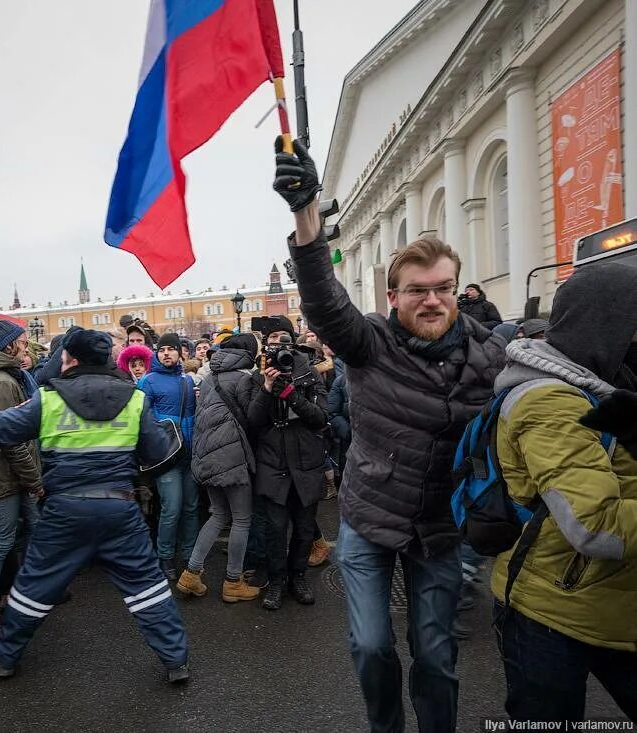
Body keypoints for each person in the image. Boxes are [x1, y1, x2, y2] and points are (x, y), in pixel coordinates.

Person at [273, 136, 507, 732]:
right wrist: (306, 217)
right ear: (393, 296)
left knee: (436, 655)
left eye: (443, 289)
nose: (432, 300)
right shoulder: (369, 343)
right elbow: (325, 306)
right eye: (417, 290)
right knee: (372, 645)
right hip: (369, 518)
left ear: (457, 289)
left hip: (440, 529)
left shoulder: (489, 355)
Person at [0, 328, 190, 683]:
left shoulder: (49, 398)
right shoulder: (135, 399)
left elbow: (4, 427)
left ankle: (4, 656)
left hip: (64, 511)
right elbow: (157, 453)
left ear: (69, 359)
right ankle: (175, 660)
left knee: (34, 587)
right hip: (119, 509)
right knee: (147, 587)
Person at [488, 264, 637, 723]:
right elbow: (595, 525)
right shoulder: (547, 400)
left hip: (615, 602)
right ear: (608, 328)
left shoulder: (611, 386)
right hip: (550, 607)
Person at [0, 319, 43, 641]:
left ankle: (29, 594)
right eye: (21, 341)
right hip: (7, 475)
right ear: (8, 344)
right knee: (1, 541)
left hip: (12, 472)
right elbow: (11, 439)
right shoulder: (1, 382)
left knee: (33, 529)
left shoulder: (6, 376)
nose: (25, 346)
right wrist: (33, 479)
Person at [247, 331, 329, 610]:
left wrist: (293, 395)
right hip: (273, 464)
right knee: (275, 529)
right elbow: (254, 421)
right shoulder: (259, 378)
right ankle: (277, 581)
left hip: (307, 463)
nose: (283, 361)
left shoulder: (311, 376)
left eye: (287, 354)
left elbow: (319, 419)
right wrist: (268, 388)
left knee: (305, 530)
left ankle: (298, 577)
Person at [178, 334, 261, 602]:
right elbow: (254, 418)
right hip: (232, 458)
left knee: (218, 515)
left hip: (206, 457)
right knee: (242, 519)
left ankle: (191, 574)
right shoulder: (245, 379)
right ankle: (233, 582)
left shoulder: (208, 377)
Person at [138, 333, 197, 580]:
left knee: (191, 507)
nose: (166, 354)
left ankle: (191, 554)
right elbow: (142, 419)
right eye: (162, 350)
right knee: (171, 508)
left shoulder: (188, 380)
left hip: (190, 453)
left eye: (171, 350)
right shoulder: (148, 381)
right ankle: (165, 556)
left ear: (179, 353)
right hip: (166, 455)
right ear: (157, 354)